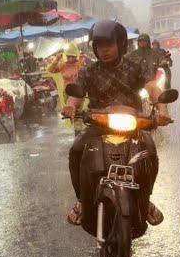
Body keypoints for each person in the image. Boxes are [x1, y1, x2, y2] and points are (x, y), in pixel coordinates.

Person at [63, 20, 173, 227]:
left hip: (133, 124)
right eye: (99, 46)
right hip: (98, 125)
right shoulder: (89, 71)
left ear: (121, 44)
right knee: (76, 150)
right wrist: (71, 106)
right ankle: (81, 200)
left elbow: (152, 88)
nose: (103, 51)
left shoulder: (135, 67)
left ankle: (146, 198)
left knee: (150, 150)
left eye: (109, 45)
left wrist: (162, 109)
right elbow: (76, 93)